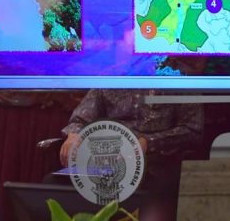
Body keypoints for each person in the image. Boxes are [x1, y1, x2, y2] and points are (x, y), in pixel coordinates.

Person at [59, 89, 204, 220]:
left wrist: (148, 143)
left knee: (155, 192)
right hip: (105, 160)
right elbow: (80, 119)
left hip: (155, 164)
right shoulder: (114, 78)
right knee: (54, 183)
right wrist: (74, 135)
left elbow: (192, 130)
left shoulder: (179, 80)